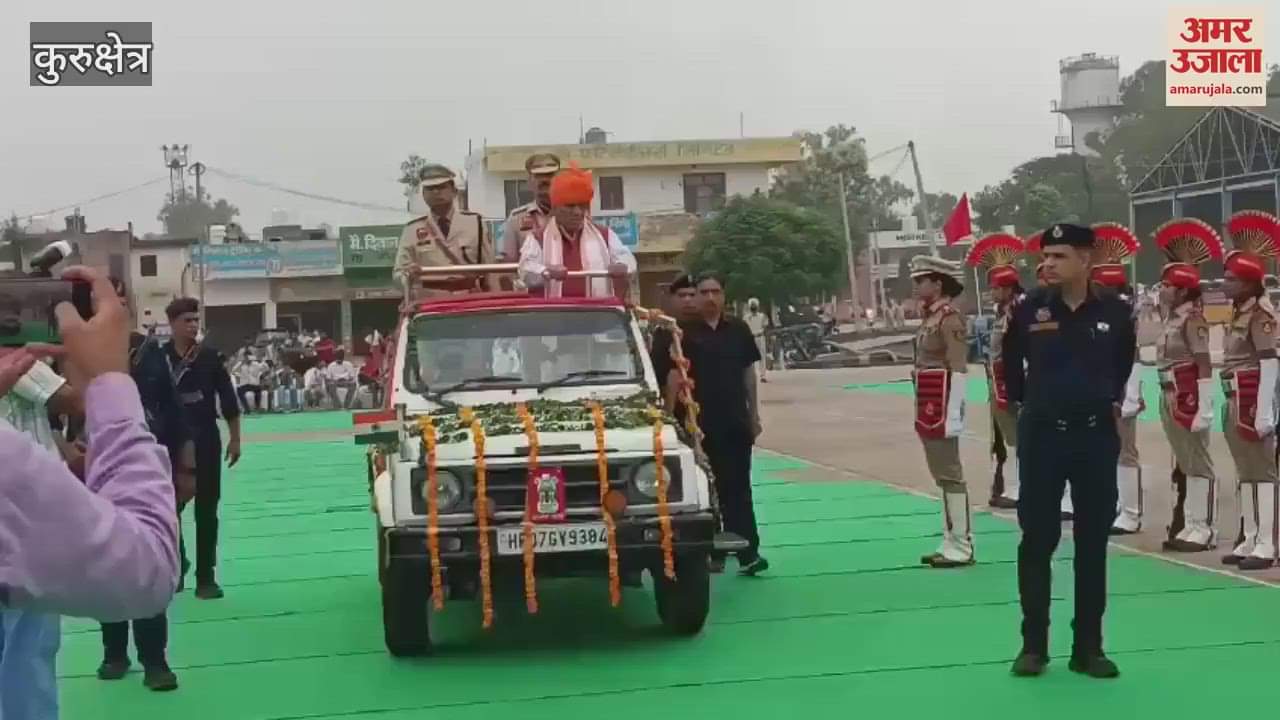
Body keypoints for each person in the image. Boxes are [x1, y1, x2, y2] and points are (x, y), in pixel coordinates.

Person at [0, 266, 179, 717]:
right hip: (40, 506)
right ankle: (118, 656)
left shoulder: (167, 356)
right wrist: (109, 382)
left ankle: (149, 660)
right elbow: (147, 569)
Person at [1002, 223, 1136, 679]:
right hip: (1042, 437)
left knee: (1092, 543)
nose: (1048, 264)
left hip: (1094, 437)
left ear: (1085, 259)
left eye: (1059, 256)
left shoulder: (1116, 311)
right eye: (1046, 256)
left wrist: (1100, 398)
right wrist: (1033, 404)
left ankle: (1089, 648)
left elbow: (1123, 364)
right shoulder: (1028, 308)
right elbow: (1010, 363)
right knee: (1037, 540)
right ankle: (1033, 645)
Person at [94, 279, 196, 692]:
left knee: (151, 561)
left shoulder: (148, 351)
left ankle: (155, 660)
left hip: (148, 468)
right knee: (107, 562)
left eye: (119, 298)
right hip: (96, 470)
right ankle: (114, 653)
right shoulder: (72, 351)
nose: (114, 305)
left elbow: (172, 410)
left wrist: (187, 467)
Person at [0, 297, 83, 720]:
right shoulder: (18, 360)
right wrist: (82, 353)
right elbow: (75, 400)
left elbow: (40, 418)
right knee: (29, 642)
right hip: (23, 514)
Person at [681, 273, 768, 576]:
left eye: (715, 292)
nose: (709, 298)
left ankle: (749, 553)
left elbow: (749, 375)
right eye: (703, 292)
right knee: (704, 492)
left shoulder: (739, 329)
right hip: (698, 426)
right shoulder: (682, 333)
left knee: (739, 489)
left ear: (723, 296)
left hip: (735, 421)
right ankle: (711, 552)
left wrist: (754, 416)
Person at [1151, 218, 1221, 552]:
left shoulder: (1193, 317)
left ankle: (1203, 526)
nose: (1161, 289)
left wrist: (1204, 404)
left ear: (1180, 290)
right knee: (1185, 459)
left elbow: (1203, 360)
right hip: (1168, 391)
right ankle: (1192, 523)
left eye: (1166, 285)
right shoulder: (1171, 318)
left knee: (1198, 460)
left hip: (1188, 392)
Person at [165, 297, 242, 599]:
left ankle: (206, 577)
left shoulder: (209, 357)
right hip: (170, 442)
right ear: (172, 324)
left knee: (207, 511)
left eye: (196, 320)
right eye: (187, 320)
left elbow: (229, 400)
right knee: (169, 510)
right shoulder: (159, 358)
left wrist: (235, 438)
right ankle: (177, 566)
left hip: (207, 439)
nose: (193, 325)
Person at [1217, 211, 1280, 571]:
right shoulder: (1237, 310)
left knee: (1262, 471)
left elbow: (1269, 360)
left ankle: (1267, 543)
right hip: (1234, 395)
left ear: (1248, 283)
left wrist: (1265, 410)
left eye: (1230, 279)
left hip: (1252, 396)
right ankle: (1250, 537)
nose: (1224, 284)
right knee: (1245, 470)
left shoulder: (1261, 314)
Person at [909, 255, 973, 569]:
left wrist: (954, 412)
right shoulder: (930, 317)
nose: (917, 285)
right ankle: (950, 540)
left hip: (942, 402)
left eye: (922, 279)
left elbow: (958, 367)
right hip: (928, 402)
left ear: (938, 282)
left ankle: (961, 543)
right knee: (940, 472)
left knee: (950, 471)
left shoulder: (950, 318)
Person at [1088, 223, 1145, 535]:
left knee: (1126, 451)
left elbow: (1133, 357)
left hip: (1122, 393)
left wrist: (1130, 395)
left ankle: (1132, 512)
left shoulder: (1124, 316)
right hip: (1102, 391)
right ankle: (1116, 507)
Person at [965, 233, 1025, 510]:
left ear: (1009, 288)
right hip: (997, 380)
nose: (992, 293)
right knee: (1003, 437)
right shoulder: (1002, 313)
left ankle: (1017, 487)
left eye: (997, 288)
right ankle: (1009, 485)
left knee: (1015, 438)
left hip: (1011, 381)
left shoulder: (1017, 313)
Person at [518, 162, 636, 298]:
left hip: (597, 313)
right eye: (570, 206)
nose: (577, 212)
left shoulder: (605, 235)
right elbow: (525, 270)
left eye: (582, 206)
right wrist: (545, 271)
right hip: (552, 314)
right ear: (555, 209)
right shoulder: (538, 238)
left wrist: (622, 266)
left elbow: (628, 259)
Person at [393, 164, 493, 299]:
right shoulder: (412, 230)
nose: (436, 192)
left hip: (470, 300)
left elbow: (491, 269)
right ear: (423, 195)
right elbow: (399, 274)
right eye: (430, 188)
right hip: (431, 304)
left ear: (454, 191)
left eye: (441, 187)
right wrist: (409, 276)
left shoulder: (475, 223)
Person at [501, 153, 561, 261]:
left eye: (549, 174)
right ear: (529, 181)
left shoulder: (572, 214)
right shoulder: (516, 218)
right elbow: (509, 263)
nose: (544, 180)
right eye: (538, 175)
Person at [743, 298, 770, 383]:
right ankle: (751, 375)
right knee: (750, 358)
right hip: (750, 338)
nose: (753, 306)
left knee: (762, 357)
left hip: (760, 337)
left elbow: (765, 327)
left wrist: (767, 339)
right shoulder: (746, 317)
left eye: (755, 305)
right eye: (752, 305)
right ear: (749, 306)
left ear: (757, 306)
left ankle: (763, 376)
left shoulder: (762, 316)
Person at [234, 349, 267, 414]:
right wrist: (241, 364)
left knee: (258, 390)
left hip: (254, 384)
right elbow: (234, 371)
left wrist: (260, 361)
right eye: (245, 357)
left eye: (248, 357)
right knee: (239, 390)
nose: (247, 358)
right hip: (245, 384)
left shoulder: (256, 364)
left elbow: (266, 368)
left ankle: (258, 408)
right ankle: (247, 409)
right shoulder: (241, 364)